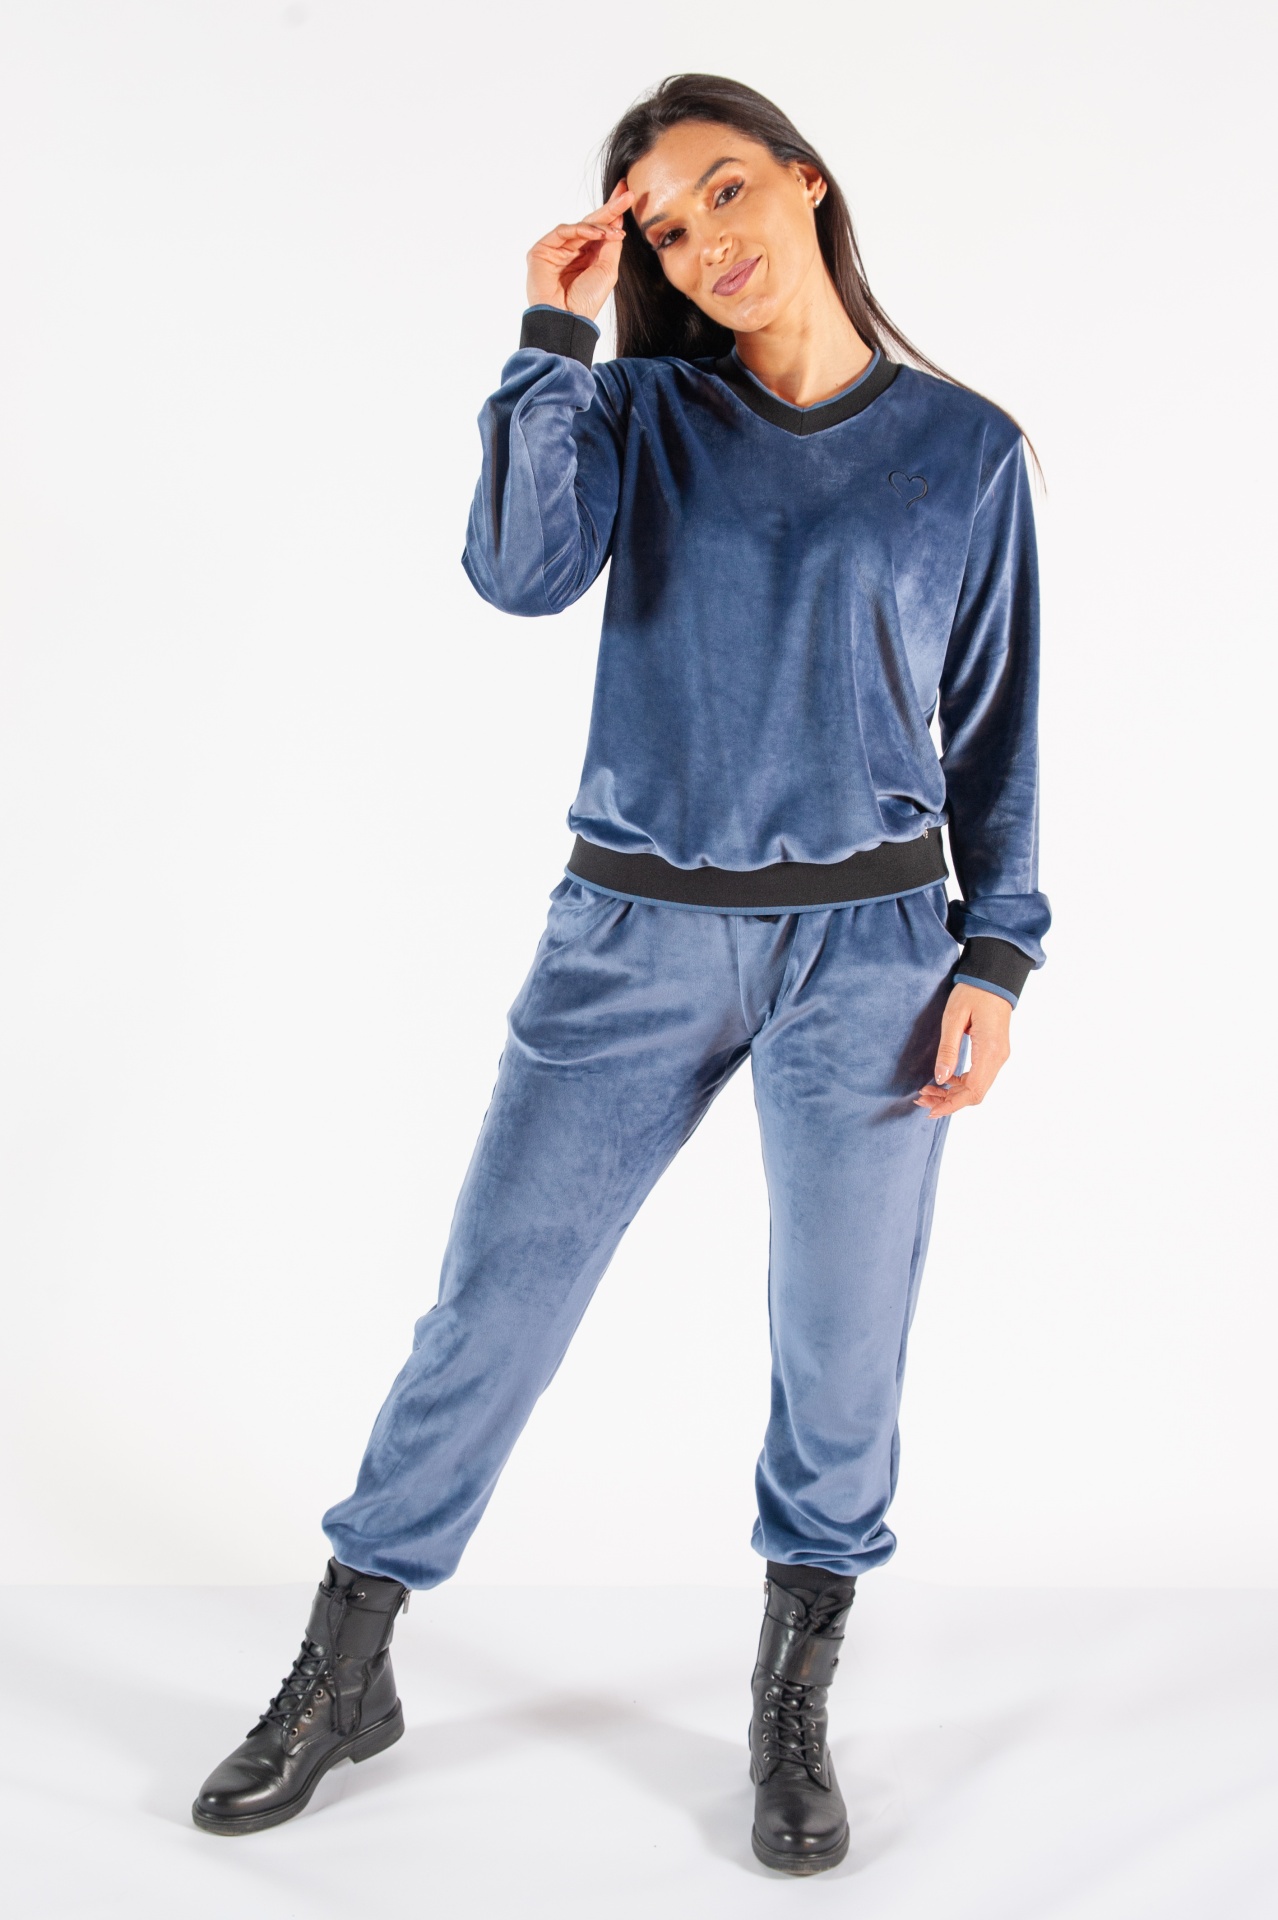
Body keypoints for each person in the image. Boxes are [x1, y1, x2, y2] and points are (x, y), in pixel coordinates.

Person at [192, 71, 1050, 1874]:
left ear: (805, 184)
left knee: (840, 1341)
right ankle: (349, 1664)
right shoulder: (637, 412)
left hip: (873, 957)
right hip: (630, 934)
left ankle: (792, 1694)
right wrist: (550, 335)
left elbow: (993, 725)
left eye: (723, 191)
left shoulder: (963, 450)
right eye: (662, 225)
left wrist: (997, 948)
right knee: (491, 1306)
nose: (701, 239)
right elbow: (516, 574)